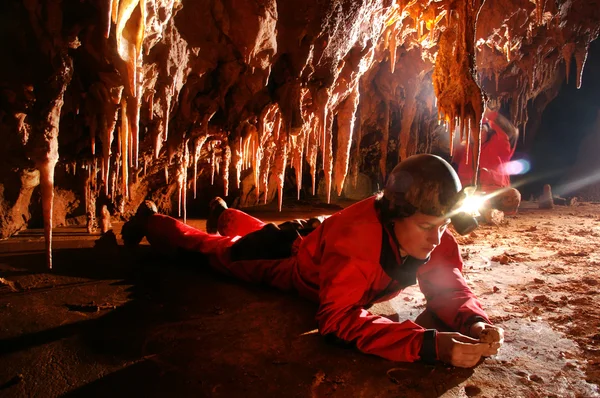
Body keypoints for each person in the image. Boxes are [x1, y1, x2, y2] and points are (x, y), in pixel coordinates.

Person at [122, 154, 504, 368]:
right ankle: (152, 221)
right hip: (293, 260)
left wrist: (475, 320)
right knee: (217, 252)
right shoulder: (358, 243)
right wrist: (427, 345)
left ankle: (223, 212)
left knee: (256, 232)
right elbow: (336, 322)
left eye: (442, 225)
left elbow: (448, 283)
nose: (436, 238)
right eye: (426, 226)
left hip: (320, 233)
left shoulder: (429, 229)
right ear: (395, 216)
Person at [454, 108, 521, 214]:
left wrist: (489, 114)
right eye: (472, 128)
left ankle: (493, 212)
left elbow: (511, 132)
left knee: (512, 194)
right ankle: (484, 212)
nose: (476, 132)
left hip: (496, 193)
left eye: (481, 128)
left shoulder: (498, 144)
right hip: (468, 193)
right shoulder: (463, 150)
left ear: (487, 130)